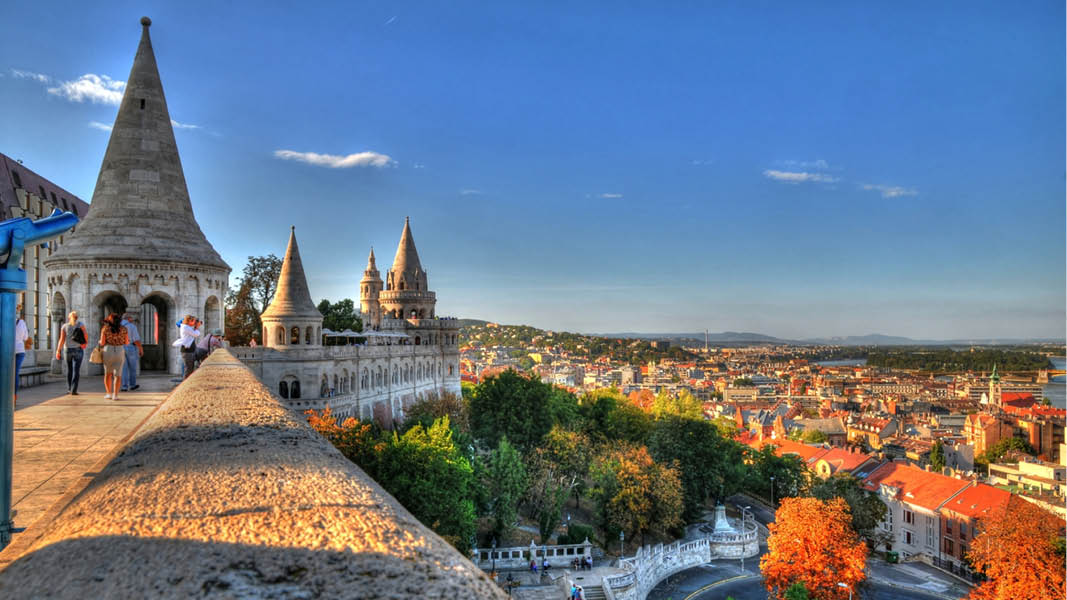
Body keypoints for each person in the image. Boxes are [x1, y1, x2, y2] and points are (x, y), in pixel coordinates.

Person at [55, 311, 88, 395]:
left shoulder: (64, 326)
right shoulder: (80, 325)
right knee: (76, 370)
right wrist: (85, 343)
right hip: (78, 349)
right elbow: (85, 335)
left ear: (69, 318)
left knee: (69, 370)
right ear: (77, 317)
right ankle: (74, 390)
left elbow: (61, 340)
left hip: (67, 350)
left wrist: (58, 350)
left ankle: (69, 389)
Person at [98, 313, 128, 400]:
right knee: (118, 374)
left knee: (108, 373)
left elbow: (102, 343)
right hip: (119, 350)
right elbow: (126, 342)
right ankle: (115, 395)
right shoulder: (124, 329)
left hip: (108, 350)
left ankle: (108, 393)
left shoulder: (105, 329)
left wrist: (100, 341)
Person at [120, 312, 143, 392]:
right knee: (132, 368)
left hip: (120, 347)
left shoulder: (118, 326)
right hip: (130, 347)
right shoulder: (132, 326)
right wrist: (140, 348)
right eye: (131, 318)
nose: (132, 320)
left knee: (124, 368)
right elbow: (136, 339)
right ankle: (132, 385)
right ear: (128, 318)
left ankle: (124, 386)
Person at [173, 315, 200, 379]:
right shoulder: (185, 327)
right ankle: (185, 384)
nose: (194, 322)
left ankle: (186, 383)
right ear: (188, 321)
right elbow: (196, 334)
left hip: (189, 350)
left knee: (190, 368)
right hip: (187, 351)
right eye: (193, 321)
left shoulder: (187, 327)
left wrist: (195, 327)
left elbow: (193, 334)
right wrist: (197, 327)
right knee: (188, 369)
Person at [14, 307, 29, 395]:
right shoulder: (22, 322)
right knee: (15, 373)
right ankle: (14, 396)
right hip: (20, 350)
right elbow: (25, 337)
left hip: (7, 351)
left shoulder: (4, 321)